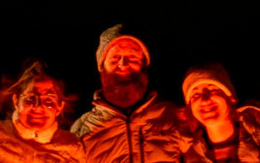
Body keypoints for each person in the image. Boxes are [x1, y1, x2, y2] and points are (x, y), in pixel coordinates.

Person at [71, 25, 187, 163]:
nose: (123, 64)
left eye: (132, 56)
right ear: (101, 67)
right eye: (115, 58)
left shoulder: (174, 118)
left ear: (144, 66)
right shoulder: (81, 130)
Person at [0, 60, 84, 163]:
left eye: (48, 100)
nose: (38, 107)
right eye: (30, 98)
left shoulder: (72, 148)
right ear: (16, 101)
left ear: (59, 107)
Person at [180, 64, 260, 163]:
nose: (204, 100)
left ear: (231, 98)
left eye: (213, 90)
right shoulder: (188, 156)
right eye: (195, 95)